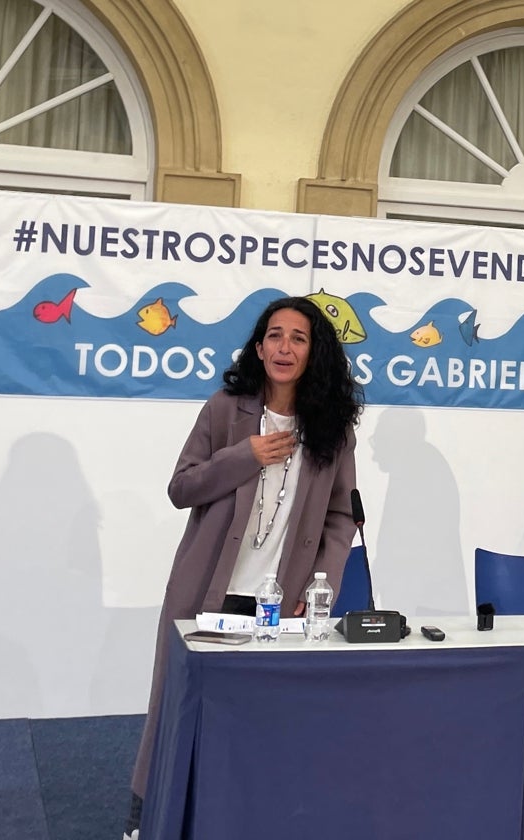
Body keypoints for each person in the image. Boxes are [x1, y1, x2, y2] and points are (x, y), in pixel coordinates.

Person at [124, 296, 363, 839]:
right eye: (274, 336)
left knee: (266, 721)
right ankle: (148, 822)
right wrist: (246, 455)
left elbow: (340, 517)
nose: (284, 347)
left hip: (279, 606)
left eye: (298, 338)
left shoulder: (332, 429)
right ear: (258, 348)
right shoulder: (223, 410)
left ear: (314, 352)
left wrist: (319, 585)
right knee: (178, 714)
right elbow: (181, 488)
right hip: (207, 593)